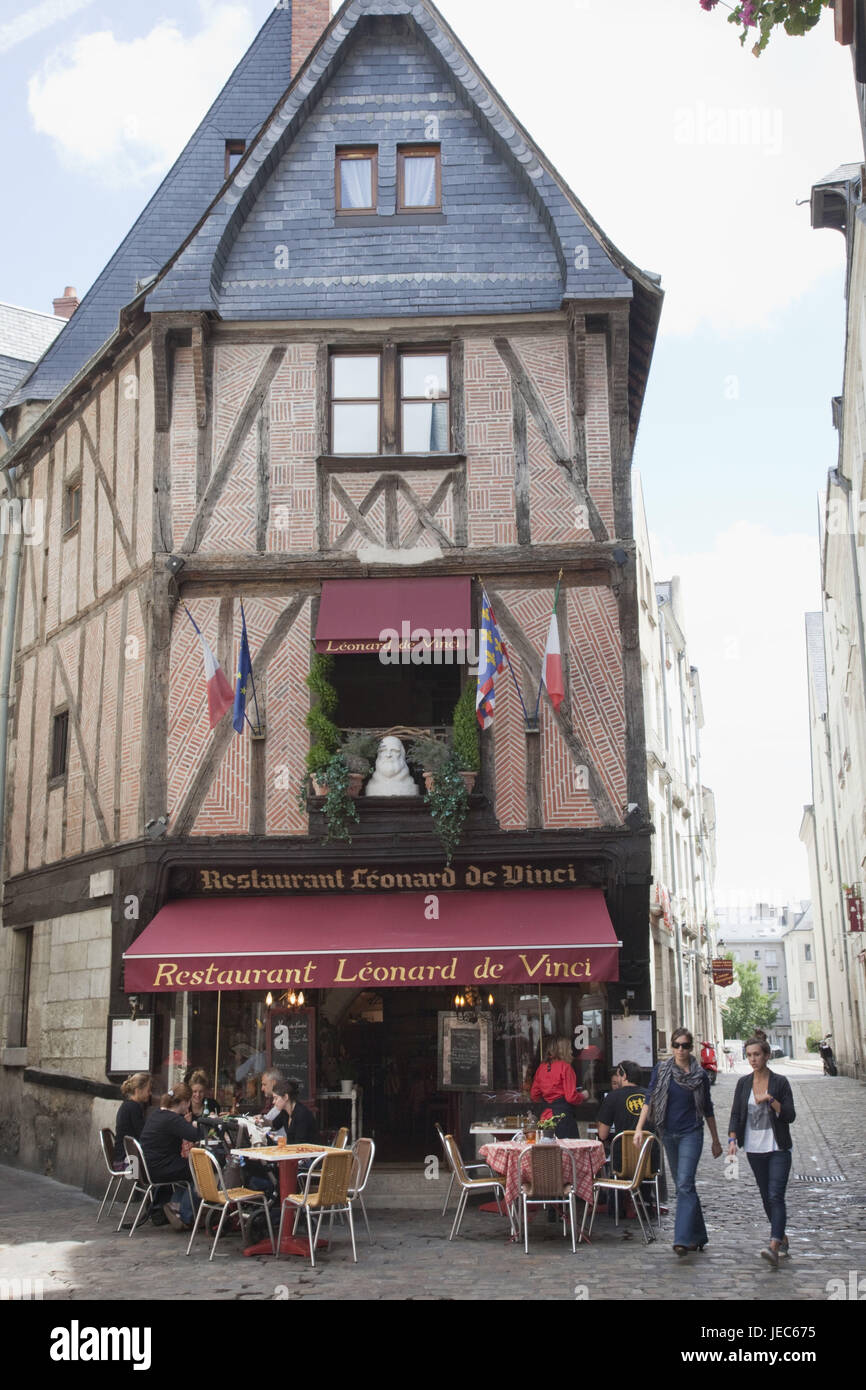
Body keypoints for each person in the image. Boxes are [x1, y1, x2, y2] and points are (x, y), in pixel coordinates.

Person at [632, 1027, 723, 1257]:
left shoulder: (700, 1075)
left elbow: (707, 1108)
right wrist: (639, 1128)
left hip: (691, 1132)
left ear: (690, 1048)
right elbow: (649, 1099)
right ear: (672, 1047)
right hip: (668, 1133)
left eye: (684, 1045)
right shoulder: (662, 1070)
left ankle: (681, 1238)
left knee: (683, 1184)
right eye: (676, 1045)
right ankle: (699, 1235)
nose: (680, 1050)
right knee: (685, 1185)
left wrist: (715, 1140)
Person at [727, 1034, 796, 1268]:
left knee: (776, 1195)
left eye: (757, 1054)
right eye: (749, 1055)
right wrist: (732, 1140)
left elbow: (790, 1115)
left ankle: (774, 1244)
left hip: (778, 1147)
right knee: (766, 1197)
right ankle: (783, 1237)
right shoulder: (743, 1083)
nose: (753, 1059)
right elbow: (736, 1113)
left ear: (767, 1055)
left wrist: (771, 1100)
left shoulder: (780, 1082)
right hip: (755, 1149)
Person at [139, 1082, 201, 1230]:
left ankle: (175, 1205)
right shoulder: (172, 1119)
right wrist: (198, 1125)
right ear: (185, 1102)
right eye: (189, 1102)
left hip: (146, 1167)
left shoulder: (158, 1114)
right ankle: (184, 1215)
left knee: (186, 1168)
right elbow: (195, 1135)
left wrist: (187, 1124)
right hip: (159, 1168)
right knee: (199, 1170)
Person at [530, 1037, 588, 1139]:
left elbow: (534, 1095)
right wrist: (582, 1096)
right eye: (569, 1048)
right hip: (562, 1117)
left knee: (547, 1151)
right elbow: (571, 1097)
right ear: (563, 1050)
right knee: (567, 1151)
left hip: (545, 1117)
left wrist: (548, 1100)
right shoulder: (566, 1067)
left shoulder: (541, 1068)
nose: (571, 1051)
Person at [596, 1061, 647, 1144]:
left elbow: (602, 1134)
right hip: (650, 1152)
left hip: (622, 1153)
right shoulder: (651, 1095)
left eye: (618, 1075)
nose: (618, 1078)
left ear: (624, 1076)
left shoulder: (613, 1096)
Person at [113, 1072, 151, 1168]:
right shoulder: (134, 1107)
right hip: (127, 1158)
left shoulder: (127, 1105)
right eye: (148, 1090)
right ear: (138, 1091)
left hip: (121, 1155)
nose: (150, 1093)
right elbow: (142, 1133)